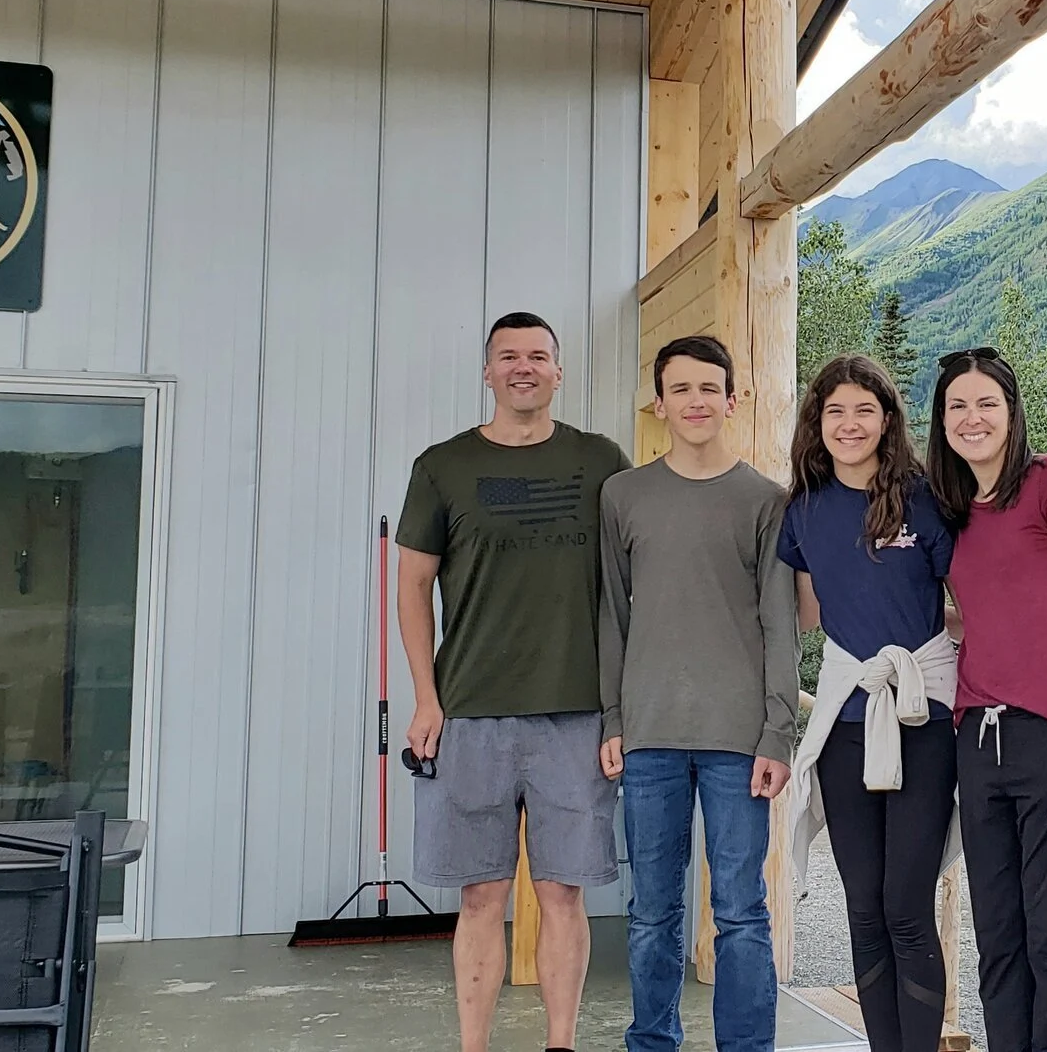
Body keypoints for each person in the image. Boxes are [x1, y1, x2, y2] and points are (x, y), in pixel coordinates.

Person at [396, 311, 631, 1052]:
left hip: (577, 712)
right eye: (508, 356)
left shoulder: (602, 461)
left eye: (538, 355)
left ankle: (560, 1041)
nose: (523, 366)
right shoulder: (442, 466)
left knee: (563, 893)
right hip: (470, 711)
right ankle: (475, 1044)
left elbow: (635, 577)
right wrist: (426, 696)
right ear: (488, 373)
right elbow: (411, 588)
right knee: (480, 895)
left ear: (559, 372)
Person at [596, 334, 799, 1052]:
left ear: (733, 399)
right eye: (680, 388)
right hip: (648, 733)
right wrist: (612, 718)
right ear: (659, 403)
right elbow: (611, 617)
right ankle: (652, 1040)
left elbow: (781, 624)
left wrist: (778, 732)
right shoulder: (622, 495)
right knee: (652, 909)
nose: (695, 401)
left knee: (742, 910)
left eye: (709, 388)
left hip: (737, 741)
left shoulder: (765, 500)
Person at [927, 346, 1047, 1052]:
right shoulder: (954, 513)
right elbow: (979, 614)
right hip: (978, 743)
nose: (972, 418)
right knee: (999, 941)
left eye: (986, 403)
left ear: (1011, 410)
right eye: (957, 406)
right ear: (941, 421)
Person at [783, 356, 960, 1052]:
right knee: (862, 909)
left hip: (922, 720)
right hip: (844, 725)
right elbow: (798, 616)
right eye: (835, 411)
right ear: (817, 423)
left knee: (906, 906)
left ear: (887, 418)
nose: (849, 424)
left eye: (864, 409)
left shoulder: (926, 499)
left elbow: (969, 607)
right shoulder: (804, 508)